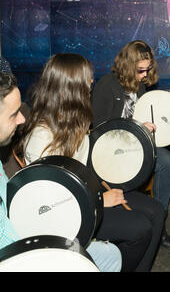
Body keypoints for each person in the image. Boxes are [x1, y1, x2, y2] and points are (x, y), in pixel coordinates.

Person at [18, 53, 164, 272]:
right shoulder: (41, 137)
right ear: (72, 86)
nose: (92, 81)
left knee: (157, 211)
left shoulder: (75, 118)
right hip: (68, 215)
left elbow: (85, 164)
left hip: (87, 193)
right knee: (140, 228)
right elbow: (50, 203)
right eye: (88, 78)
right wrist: (100, 200)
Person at [0, 71, 121, 272]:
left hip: (29, 240)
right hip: (21, 256)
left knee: (111, 255)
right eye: (14, 114)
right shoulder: (41, 137)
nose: (22, 119)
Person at [91, 40, 170, 249]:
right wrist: (135, 126)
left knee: (167, 161)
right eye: (140, 70)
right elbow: (100, 131)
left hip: (135, 143)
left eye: (147, 70)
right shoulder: (106, 86)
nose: (144, 76)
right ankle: (128, 223)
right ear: (127, 66)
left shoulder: (139, 86)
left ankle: (160, 220)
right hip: (112, 149)